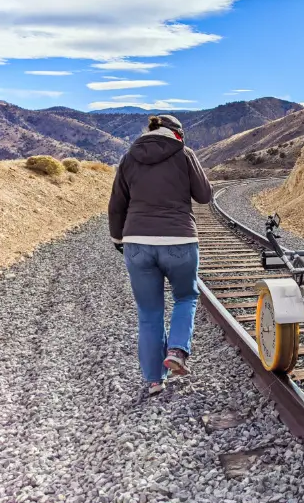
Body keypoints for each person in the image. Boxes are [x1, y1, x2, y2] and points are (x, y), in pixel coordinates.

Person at [109, 114, 212, 396]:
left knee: (149, 312)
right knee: (186, 296)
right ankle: (177, 350)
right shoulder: (184, 153)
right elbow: (204, 196)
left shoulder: (129, 157)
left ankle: (155, 380)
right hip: (179, 239)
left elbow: (117, 204)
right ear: (177, 133)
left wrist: (119, 239)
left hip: (137, 243)